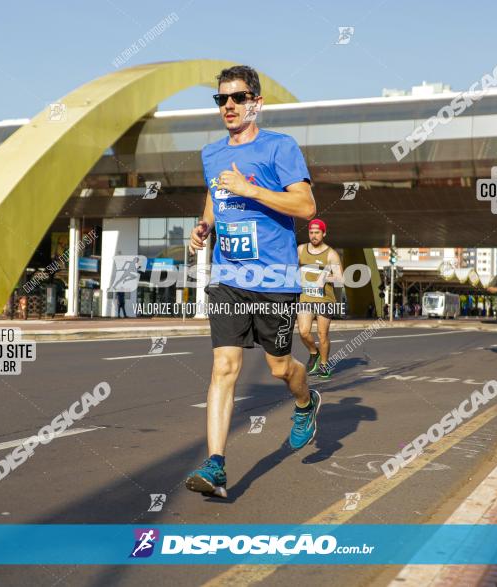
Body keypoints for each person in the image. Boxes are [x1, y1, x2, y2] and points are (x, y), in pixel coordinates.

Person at [185, 65, 319, 499]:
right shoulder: (211, 154)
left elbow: (305, 204)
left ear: (256, 103)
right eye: (222, 99)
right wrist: (204, 226)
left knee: (281, 367)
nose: (229, 105)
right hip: (229, 277)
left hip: (275, 279)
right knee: (224, 367)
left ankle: (305, 402)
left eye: (238, 98)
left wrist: (251, 189)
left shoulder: (280, 147)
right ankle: (216, 465)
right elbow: (214, 194)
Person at [297, 218, 343, 380]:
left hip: (325, 299)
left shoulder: (331, 254)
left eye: (317, 232)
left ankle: (324, 364)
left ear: (324, 233)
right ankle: (314, 352)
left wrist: (324, 279)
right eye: (311, 232)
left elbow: (339, 278)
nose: (314, 236)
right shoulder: (301, 249)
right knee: (303, 332)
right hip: (305, 298)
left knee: (322, 334)